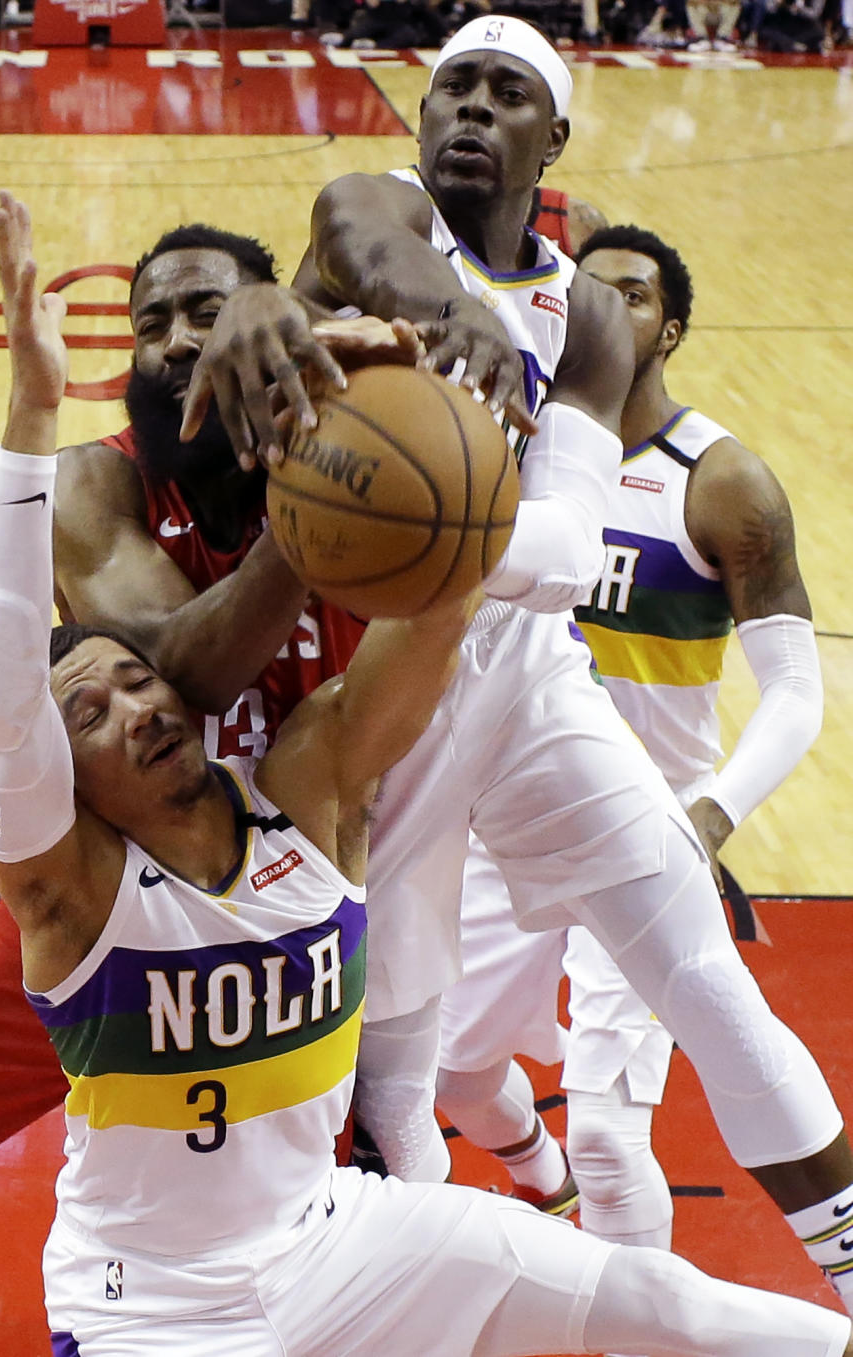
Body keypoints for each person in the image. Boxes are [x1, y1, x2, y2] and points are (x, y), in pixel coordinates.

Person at [0, 183, 853, 1357]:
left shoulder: (313, 794)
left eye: (135, 688)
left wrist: (422, 419)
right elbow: (9, 681)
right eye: (91, 707)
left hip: (336, 1238)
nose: (138, 705)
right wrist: (28, 412)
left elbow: (447, 590)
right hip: (159, 1307)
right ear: (53, 777)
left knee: (658, 1295)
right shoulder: (64, 887)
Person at [180, 12, 853, 1308]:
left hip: (530, 669)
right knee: (396, 1071)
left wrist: (422, 517)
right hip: (375, 688)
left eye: (504, 94)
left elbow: (565, 547)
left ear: (556, 135)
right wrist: (452, 333)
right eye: (451, 90)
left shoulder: (593, 319)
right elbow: (384, 255)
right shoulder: (364, 207)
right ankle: (396, 1315)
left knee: (701, 971)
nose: (469, 113)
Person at [0, 180, 606, 1239]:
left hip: (297, 895)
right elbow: (184, 666)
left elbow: (362, 216)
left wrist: (424, 419)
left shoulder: (372, 476)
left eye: (209, 315)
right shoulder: (99, 486)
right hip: (108, 905)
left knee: (336, 1202)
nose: (179, 341)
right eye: (152, 324)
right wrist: (305, 512)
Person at [436, 224, 831, 1284]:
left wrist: (712, 812)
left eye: (634, 293)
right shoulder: (514, 454)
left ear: (673, 327)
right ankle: (535, 1166)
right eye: (587, 288)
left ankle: (623, 1316)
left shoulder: (722, 480)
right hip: (509, 811)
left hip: (644, 827)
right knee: (458, 1076)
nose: (604, 305)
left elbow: (797, 692)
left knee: (617, 1136)